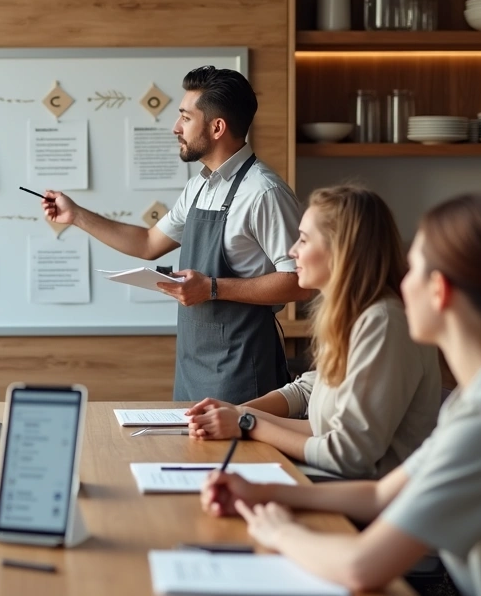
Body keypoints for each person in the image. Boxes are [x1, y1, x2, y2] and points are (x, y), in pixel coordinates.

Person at [200, 193, 481, 595]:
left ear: (440, 290)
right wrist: (265, 493)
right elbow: (382, 493)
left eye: (412, 267)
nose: (400, 281)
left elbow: (361, 567)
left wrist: (281, 531)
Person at [42, 66, 308, 403]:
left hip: (244, 374)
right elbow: (149, 243)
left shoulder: (264, 192)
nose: (175, 128)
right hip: (192, 370)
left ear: (217, 127)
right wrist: (76, 215)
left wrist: (211, 288)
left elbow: (300, 282)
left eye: (185, 117)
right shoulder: (198, 186)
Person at [185, 186, 441, 480]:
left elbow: (348, 456)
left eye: (304, 240)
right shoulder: (353, 315)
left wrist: (246, 423)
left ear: (340, 250)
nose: (292, 251)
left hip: (364, 503)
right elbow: (311, 394)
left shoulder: (382, 323)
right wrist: (236, 412)